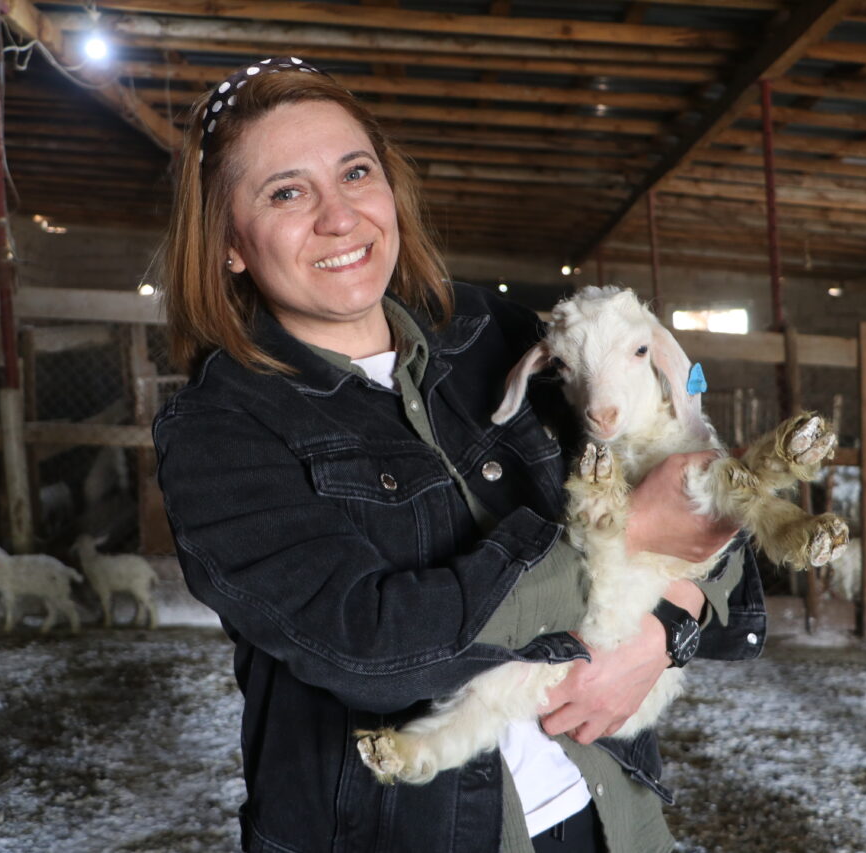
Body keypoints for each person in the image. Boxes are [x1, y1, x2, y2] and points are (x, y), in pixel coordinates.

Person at [153, 57, 766, 853]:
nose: (340, 217)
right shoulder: (219, 430)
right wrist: (630, 545)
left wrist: (665, 632)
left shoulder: (499, 336)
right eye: (287, 191)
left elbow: (712, 515)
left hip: (608, 815)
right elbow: (369, 646)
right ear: (229, 242)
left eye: (355, 173)